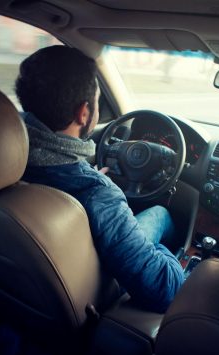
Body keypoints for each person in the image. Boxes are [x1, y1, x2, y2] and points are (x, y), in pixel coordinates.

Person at [15, 45, 184, 313]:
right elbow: (165, 289)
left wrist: (94, 179)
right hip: (97, 290)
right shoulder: (97, 193)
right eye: (96, 100)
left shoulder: (5, 155)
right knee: (161, 214)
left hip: (28, 290)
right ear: (84, 113)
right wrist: (170, 256)